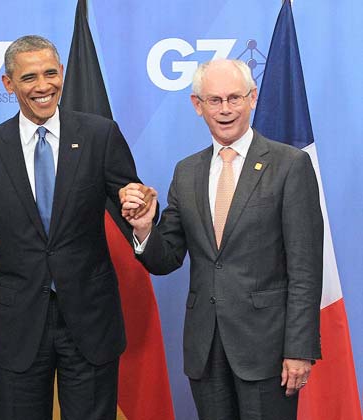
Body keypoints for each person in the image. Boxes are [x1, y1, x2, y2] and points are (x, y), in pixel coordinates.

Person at [0, 35, 152, 420]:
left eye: (50, 73)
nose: (43, 86)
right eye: (29, 77)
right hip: (19, 323)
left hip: (89, 319)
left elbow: (131, 200)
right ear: (9, 84)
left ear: (62, 75)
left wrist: (138, 207)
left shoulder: (99, 134)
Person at [122, 59, 323, 420]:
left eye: (234, 98)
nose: (226, 109)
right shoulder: (187, 171)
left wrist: (300, 348)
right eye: (214, 100)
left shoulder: (290, 165)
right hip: (206, 349)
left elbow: (305, 267)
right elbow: (165, 259)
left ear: (252, 98)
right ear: (197, 105)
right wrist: (143, 228)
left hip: (269, 350)